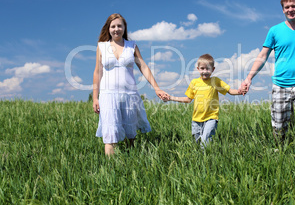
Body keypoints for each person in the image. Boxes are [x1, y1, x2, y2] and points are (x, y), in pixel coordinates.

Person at [239, 0, 295, 161]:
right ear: (283, 10)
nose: (290, 10)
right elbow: (263, 55)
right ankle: (280, 152)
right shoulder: (275, 31)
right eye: (287, 7)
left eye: (294, 6)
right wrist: (249, 77)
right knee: (279, 126)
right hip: (280, 85)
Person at [92, 13, 168, 156]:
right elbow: (97, 72)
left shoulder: (131, 46)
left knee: (130, 134)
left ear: (124, 28)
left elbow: (143, 67)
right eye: (113, 26)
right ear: (108, 29)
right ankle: (111, 171)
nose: (116, 29)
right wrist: (95, 98)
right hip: (108, 95)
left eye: (119, 26)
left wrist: (156, 88)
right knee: (110, 134)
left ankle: (130, 162)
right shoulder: (102, 47)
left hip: (129, 95)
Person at [167, 54, 241, 149]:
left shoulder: (215, 81)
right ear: (198, 69)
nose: (205, 71)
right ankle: (200, 159)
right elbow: (188, 99)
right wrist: (171, 98)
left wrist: (240, 91)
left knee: (205, 140)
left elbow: (230, 91)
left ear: (213, 69)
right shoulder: (194, 82)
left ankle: (207, 159)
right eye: (202, 68)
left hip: (211, 117)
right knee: (197, 142)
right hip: (196, 119)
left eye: (208, 69)